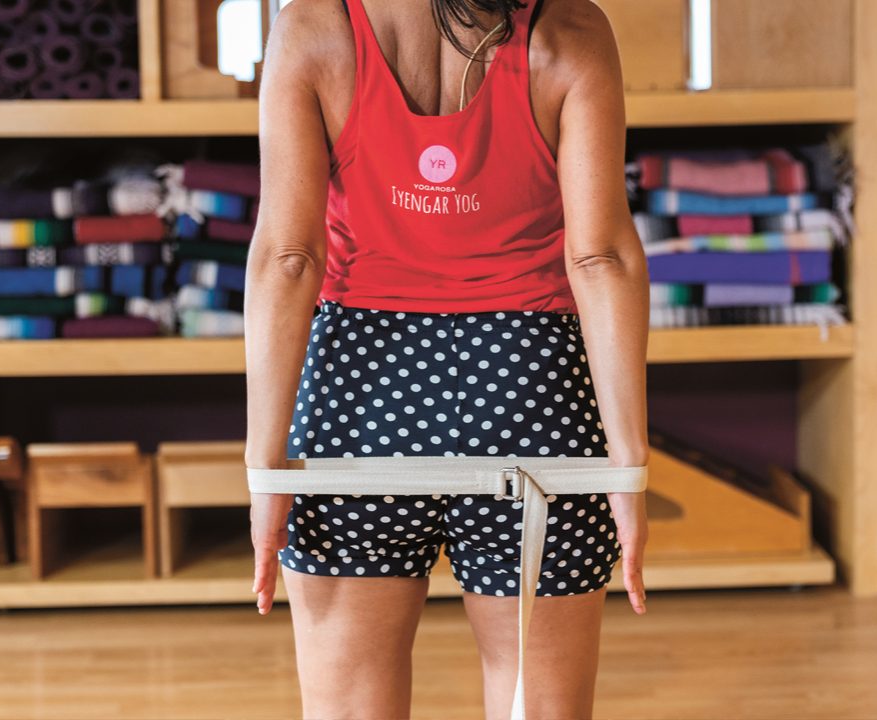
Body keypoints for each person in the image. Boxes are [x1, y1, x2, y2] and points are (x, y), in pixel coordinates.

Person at [244, 0, 650, 717]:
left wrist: (264, 466)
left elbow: (287, 258)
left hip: (360, 395)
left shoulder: (311, 25)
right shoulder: (570, 28)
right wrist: (627, 465)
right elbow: (600, 258)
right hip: (531, 391)